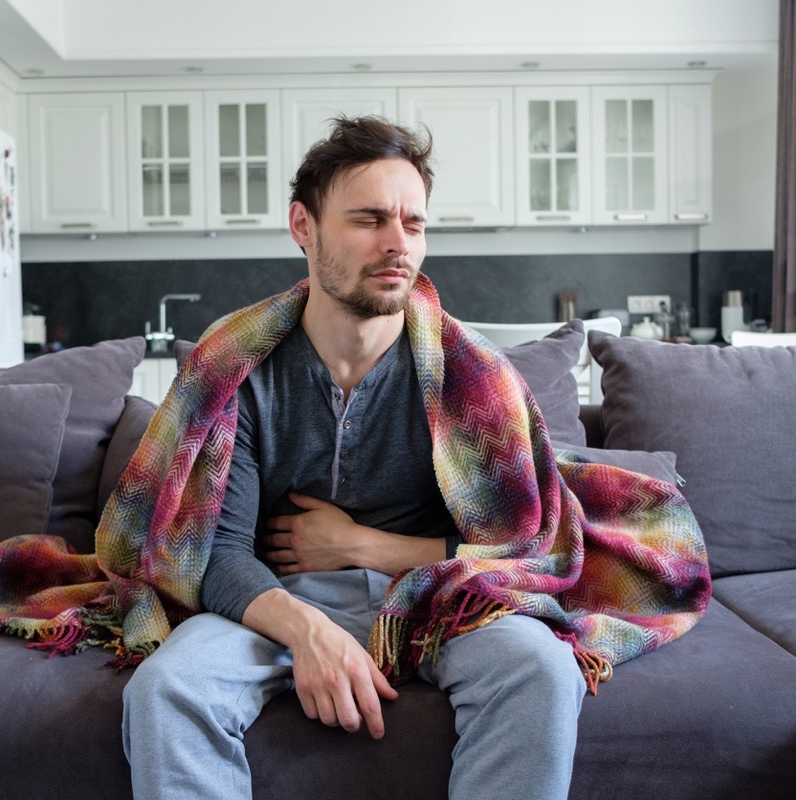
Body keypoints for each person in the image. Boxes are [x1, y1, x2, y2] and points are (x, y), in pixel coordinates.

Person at [120, 116, 587, 799]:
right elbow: (213, 551)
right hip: (277, 597)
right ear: (303, 227)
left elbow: (517, 549)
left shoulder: (474, 376)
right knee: (165, 688)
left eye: (414, 223)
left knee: (542, 671)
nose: (398, 243)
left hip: (442, 599)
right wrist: (308, 630)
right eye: (369, 219)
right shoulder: (236, 366)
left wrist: (364, 545)